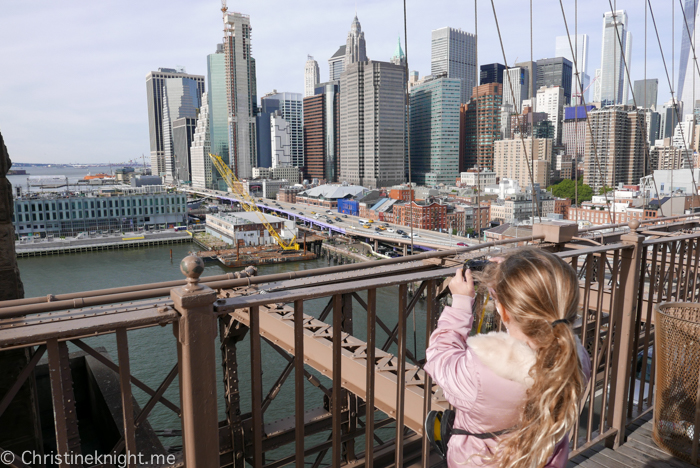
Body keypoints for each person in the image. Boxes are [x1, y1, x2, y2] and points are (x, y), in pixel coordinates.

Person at [424, 248, 591, 468]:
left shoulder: (479, 374)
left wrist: (461, 304)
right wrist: (508, 282)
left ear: (503, 311)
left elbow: (440, 356)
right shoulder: (576, 361)